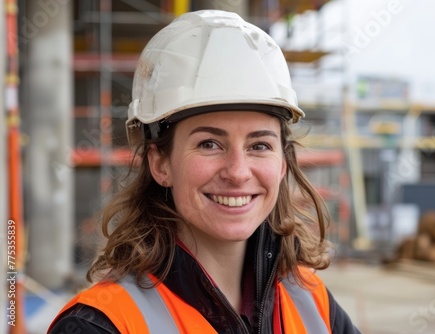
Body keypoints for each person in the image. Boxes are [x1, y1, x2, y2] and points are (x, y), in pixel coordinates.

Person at [48, 10, 360, 334]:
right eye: (209, 144)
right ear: (160, 164)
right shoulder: (101, 325)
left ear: (283, 164)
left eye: (260, 145)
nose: (238, 172)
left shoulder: (313, 303)